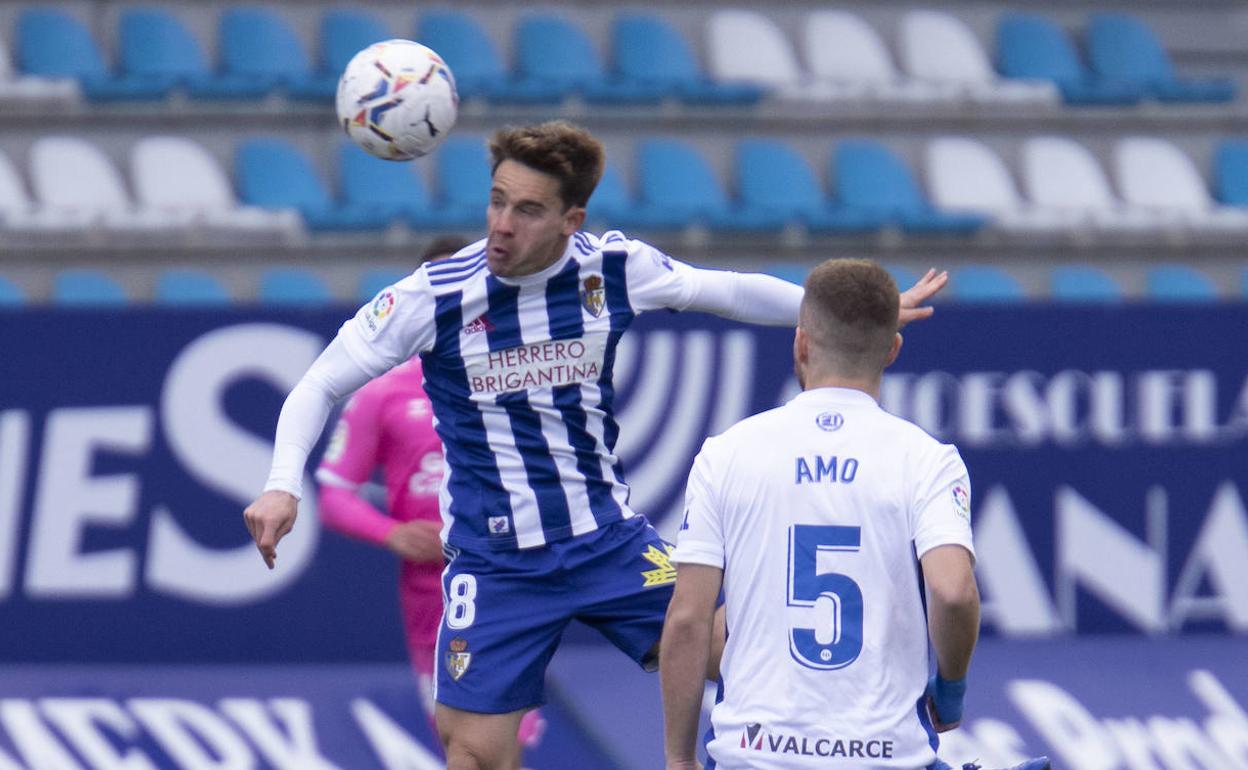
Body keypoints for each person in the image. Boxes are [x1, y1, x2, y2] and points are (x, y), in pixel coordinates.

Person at [243, 121, 948, 770]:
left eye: (527, 211)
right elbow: (319, 382)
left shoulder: (611, 271)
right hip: (496, 564)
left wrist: (854, 315)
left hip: (605, 543)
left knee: (753, 652)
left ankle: (889, 739)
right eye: (496, 202)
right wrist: (282, 483)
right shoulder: (437, 296)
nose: (501, 225)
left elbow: (727, 291)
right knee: (474, 757)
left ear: (570, 220)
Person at [659, 259, 1048, 770]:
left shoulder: (726, 453)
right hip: (883, 756)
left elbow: (688, 620)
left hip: (752, 756)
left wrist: (678, 759)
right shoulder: (927, 459)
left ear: (800, 343)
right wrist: (951, 687)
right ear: (893, 350)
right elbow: (953, 593)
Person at [314, 237, 548, 764]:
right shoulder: (383, 392)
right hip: (435, 596)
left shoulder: (524, 378)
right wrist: (392, 533)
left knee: (498, 742)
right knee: (463, 742)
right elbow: (333, 494)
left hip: (515, 580)